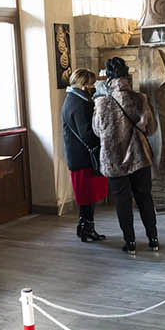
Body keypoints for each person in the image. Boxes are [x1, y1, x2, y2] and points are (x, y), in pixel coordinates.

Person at [93, 57, 161, 255]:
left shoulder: (102, 102)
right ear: (127, 75)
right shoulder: (140, 99)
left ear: (108, 76)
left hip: (114, 159)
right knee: (145, 199)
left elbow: (97, 130)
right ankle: (153, 239)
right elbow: (151, 129)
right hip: (139, 156)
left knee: (123, 202)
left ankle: (130, 243)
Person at [62, 68, 110, 244]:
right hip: (84, 157)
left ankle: (85, 227)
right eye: (91, 83)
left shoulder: (71, 99)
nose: (93, 86)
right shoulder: (81, 104)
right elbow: (87, 134)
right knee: (87, 197)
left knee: (86, 196)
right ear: (83, 85)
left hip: (77, 156)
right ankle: (87, 229)